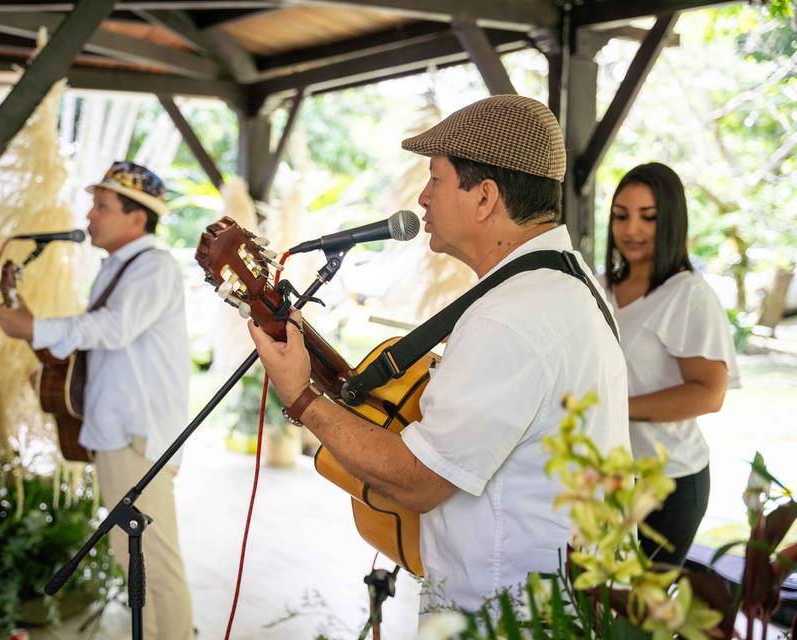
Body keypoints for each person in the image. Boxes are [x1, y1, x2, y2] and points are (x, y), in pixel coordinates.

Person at [248, 95, 631, 610]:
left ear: (484, 197)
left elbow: (419, 480)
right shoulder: (561, 282)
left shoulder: (510, 316)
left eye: (436, 179)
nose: (422, 198)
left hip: (501, 613)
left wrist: (300, 396)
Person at [0, 161, 194, 639]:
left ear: (137, 218)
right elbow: (102, 343)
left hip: (136, 437)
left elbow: (114, 328)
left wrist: (38, 328)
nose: (91, 215)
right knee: (134, 558)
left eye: (102, 206)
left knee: (155, 564)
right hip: (119, 435)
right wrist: (38, 335)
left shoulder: (153, 265)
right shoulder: (121, 267)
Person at [602, 162, 740, 567]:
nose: (631, 230)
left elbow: (708, 394)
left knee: (637, 623)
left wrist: (614, 408)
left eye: (649, 217)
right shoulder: (600, 286)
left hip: (671, 483)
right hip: (607, 478)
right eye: (621, 215)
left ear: (672, 222)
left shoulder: (688, 295)